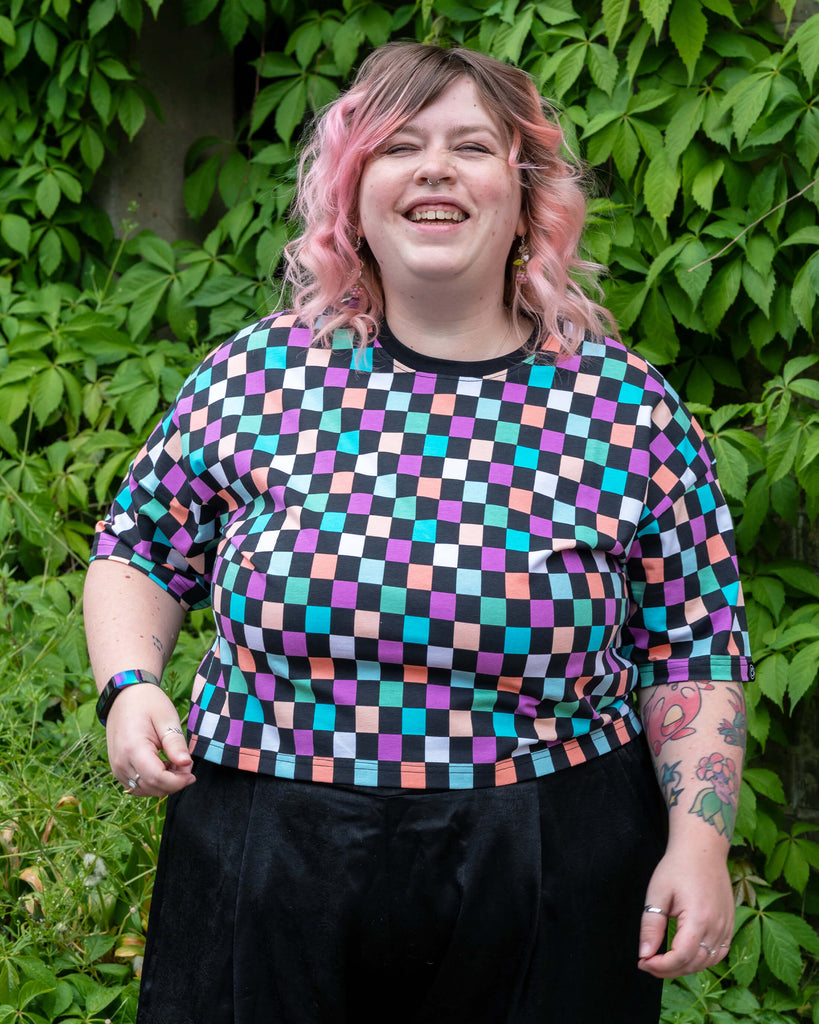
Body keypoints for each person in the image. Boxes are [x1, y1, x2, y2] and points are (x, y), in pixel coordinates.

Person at [83, 42, 754, 1024]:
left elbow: (693, 643)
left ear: (524, 195)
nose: (435, 169)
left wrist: (699, 844)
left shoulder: (624, 408)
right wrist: (129, 686)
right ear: (352, 195)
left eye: (471, 147)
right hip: (265, 854)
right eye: (399, 147)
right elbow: (138, 551)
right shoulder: (256, 377)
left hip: (546, 862)